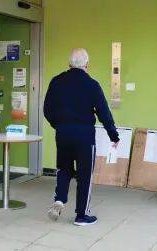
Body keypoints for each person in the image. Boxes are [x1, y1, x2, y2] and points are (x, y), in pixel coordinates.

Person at [44, 48, 120, 226]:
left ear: (69, 63)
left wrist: (59, 125)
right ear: (86, 65)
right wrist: (113, 135)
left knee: (63, 168)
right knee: (85, 174)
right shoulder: (91, 84)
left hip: (63, 134)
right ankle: (81, 215)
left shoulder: (56, 82)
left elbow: (47, 110)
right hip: (85, 136)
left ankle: (60, 199)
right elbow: (103, 113)